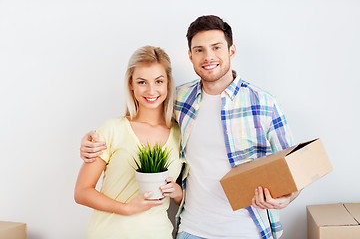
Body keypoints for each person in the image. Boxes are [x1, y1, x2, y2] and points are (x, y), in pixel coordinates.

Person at [80, 16, 300, 239]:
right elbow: (144, 115)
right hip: (192, 230)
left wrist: (286, 198)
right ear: (190, 56)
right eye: (199, 50)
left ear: (231, 51)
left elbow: (296, 168)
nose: (208, 57)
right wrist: (91, 139)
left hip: (247, 231)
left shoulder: (264, 103)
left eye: (216, 47)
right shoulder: (181, 100)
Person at [74, 45, 183, 239]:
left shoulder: (181, 134)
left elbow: (189, 196)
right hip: (107, 233)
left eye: (159, 81)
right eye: (142, 82)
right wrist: (126, 208)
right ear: (131, 84)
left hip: (157, 233)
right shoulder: (112, 129)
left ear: (168, 83)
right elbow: (82, 192)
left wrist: (178, 193)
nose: (151, 90)